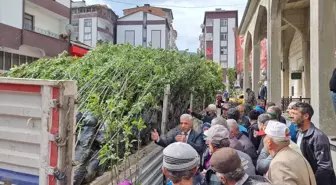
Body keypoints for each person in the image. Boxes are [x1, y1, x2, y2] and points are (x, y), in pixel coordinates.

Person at [292, 102, 336, 185]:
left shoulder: (318, 137)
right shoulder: (299, 132)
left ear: (306, 116)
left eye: (295, 114)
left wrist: (312, 181)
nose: (292, 116)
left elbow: (324, 167)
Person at [263, 120, 317, 185]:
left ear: (269, 142)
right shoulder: (294, 153)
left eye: (264, 136)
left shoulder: (279, 163)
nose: (263, 139)